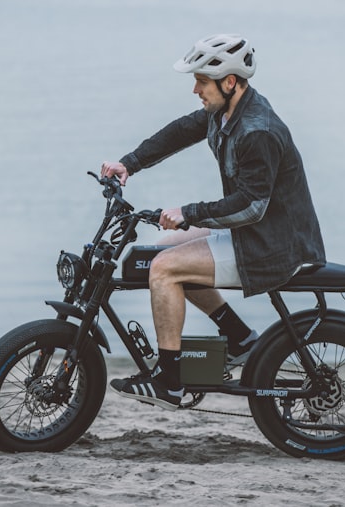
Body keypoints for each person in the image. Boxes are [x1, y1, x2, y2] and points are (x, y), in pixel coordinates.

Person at [101, 33, 326, 410]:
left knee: (164, 270)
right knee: (164, 248)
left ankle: (170, 384)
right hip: (257, 231)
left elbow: (252, 208)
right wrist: (130, 163)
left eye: (202, 82)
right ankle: (240, 339)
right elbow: (180, 131)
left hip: (270, 244)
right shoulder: (227, 112)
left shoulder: (257, 131)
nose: (195, 89)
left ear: (230, 82)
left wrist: (188, 213)